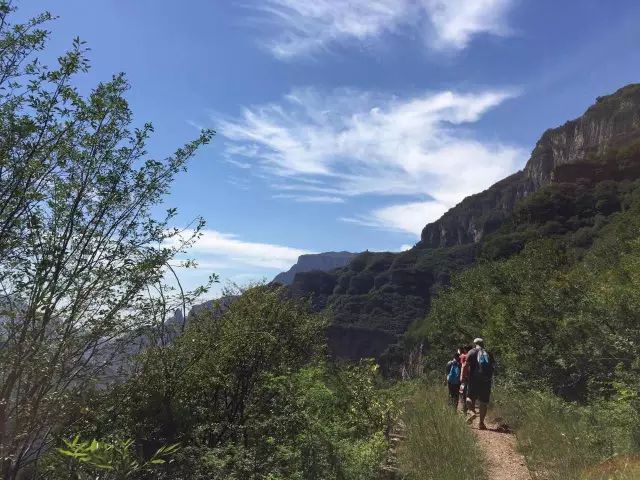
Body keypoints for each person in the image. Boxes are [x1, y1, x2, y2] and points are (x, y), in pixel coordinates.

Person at [465, 338, 495, 430]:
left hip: (474, 379)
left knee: (469, 397)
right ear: (483, 344)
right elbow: (493, 367)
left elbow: (466, 366)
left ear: (475, 344)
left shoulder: (471, 352)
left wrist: (464, 377)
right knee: (483, 402)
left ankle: (471, 411)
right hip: (486, 381)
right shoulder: (489, 353)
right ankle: (481, 423)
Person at [458, 345, 471, 413]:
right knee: (468, 392)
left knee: (462, 392)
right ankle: (469, 408)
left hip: (464, 377)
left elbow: (463, 366)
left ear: (465, 349)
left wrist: (461, 377)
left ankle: (464, 408)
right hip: (471, 377)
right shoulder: (473, 356)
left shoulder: (463, 356)